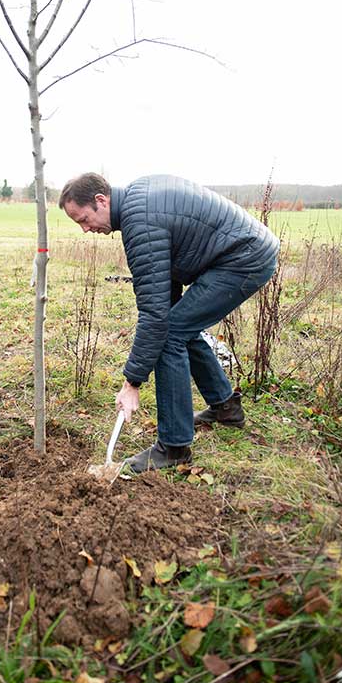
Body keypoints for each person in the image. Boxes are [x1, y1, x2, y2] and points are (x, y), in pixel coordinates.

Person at [59, 173, 280, 474]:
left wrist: (132, 383)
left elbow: (154, 316)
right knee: (179, 326)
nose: (85, 229)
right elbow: (164, 289)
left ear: (101, 200)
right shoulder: (138, 202)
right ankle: (226, 409)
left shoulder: (140, 222)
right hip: (242, 252)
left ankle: (174, 447)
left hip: (244, 259)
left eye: (83, 219)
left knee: (171, 333)